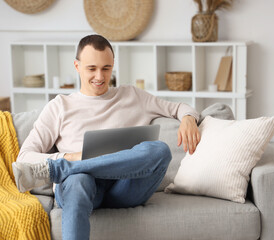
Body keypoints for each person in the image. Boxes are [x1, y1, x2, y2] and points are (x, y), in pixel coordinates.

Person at [12, 34, 200, 240]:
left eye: (106, 68)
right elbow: (24, 158)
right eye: (91, 68)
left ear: (113, 66)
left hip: (125, 187)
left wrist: (189, 118)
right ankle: (70, 168)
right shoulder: (60, 106)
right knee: (78, 178)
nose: (100, 77)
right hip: (81, 188)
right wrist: (70, 156)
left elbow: (179, 108)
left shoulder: (132, 96)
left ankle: (64, 170)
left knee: (160, 150)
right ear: (77, 66)